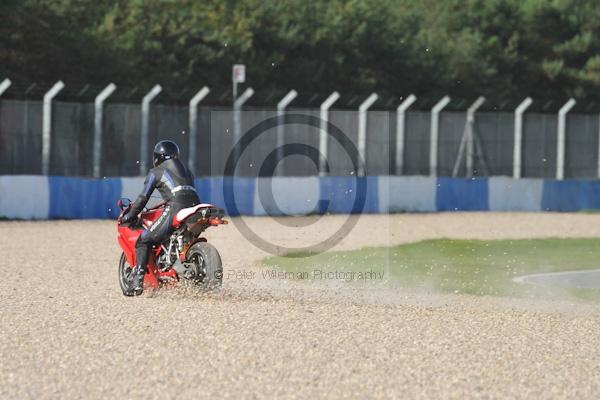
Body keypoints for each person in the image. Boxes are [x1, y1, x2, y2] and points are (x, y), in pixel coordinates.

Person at [121, 140, 200, 295]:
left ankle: (137, 283)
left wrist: (130, 215)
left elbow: (143, 198)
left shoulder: (156, 171)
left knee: (143, 240)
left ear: (157, 157)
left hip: (176, 207)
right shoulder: (187, 170)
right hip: (195, 207)